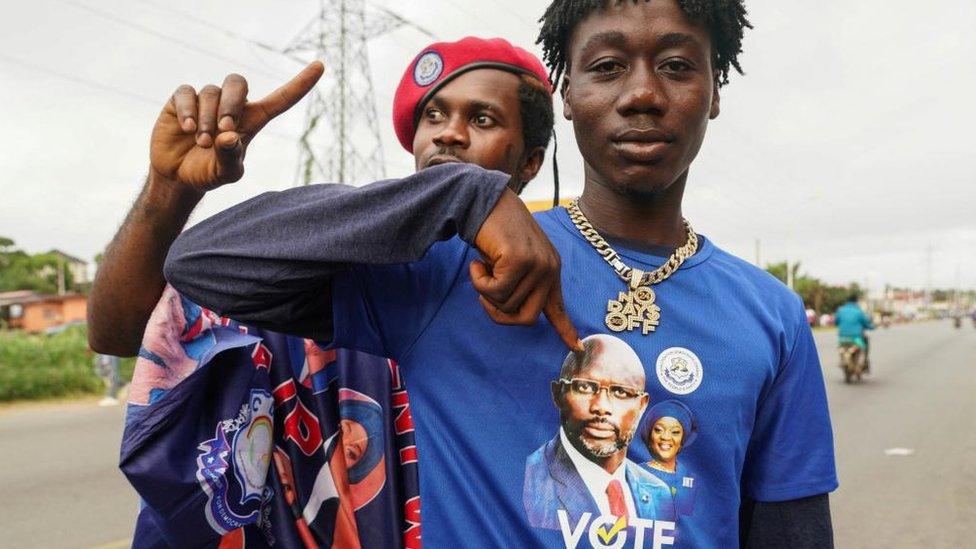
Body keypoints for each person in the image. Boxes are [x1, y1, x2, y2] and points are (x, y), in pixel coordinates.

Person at [163, 1, 839, 546]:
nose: (641, 93)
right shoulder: (454, 271)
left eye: (675, 65)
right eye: (607, 66)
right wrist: (464, 193)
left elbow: (790, 532)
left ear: (714, 90)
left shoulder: (771, 316)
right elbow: (203, 264)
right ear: (568, 94)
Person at [91, 37, 557, 547]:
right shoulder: (323, 260)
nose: (449, 134)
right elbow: (120, 333)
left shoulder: (550, 288)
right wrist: (170, 186)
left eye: (483, 120)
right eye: (434, 116)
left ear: (531, 163)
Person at [523, 334, 673, 530]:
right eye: (584, 387)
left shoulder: (659, 494)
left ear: (642, 405)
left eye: (621, 392)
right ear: (558, 394)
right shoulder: (529, 479)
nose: (601, 407)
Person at [640, 400, 700, 517]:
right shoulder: (633, 473)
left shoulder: (690, 479)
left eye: (675, 432)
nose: (666, 437)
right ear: (649, 433)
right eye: (658, 430)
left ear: (683, 438)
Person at [835, 292, 874, 371]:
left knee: (841, 348)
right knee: (865, 343)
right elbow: (866, 324)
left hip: (842, 338)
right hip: (856, 338)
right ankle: (864, 361)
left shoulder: (840, 310)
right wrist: (872, 327)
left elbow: (836, 322)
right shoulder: (859, 311)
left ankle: (843, 360)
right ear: (856, 301)